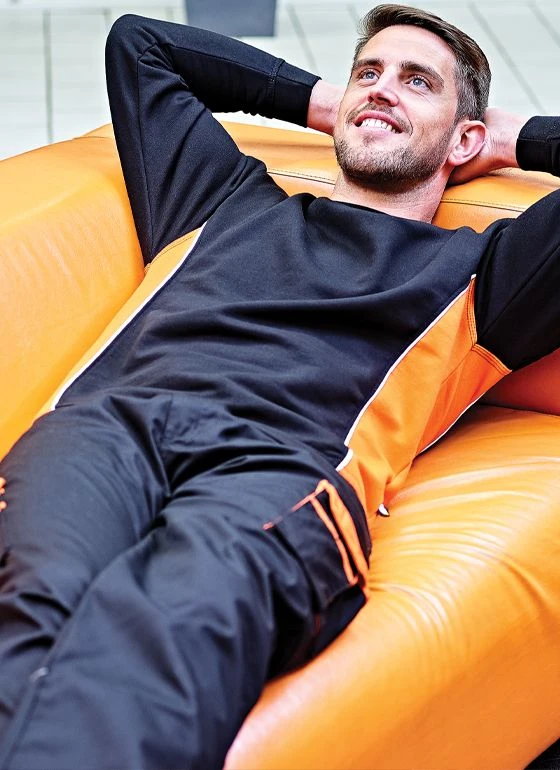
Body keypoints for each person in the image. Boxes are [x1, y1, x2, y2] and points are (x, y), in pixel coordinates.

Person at [0, 4, 559, 768]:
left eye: (417, 82)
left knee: (164, 626)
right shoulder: (221, 195)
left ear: (464, 139)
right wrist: (335, 103)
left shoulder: (481, 274)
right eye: (369, 72)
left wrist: (512, 139)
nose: (383, 87)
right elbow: (141, 43)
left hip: (281, 471)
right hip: (110, 429)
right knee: (30, 593)